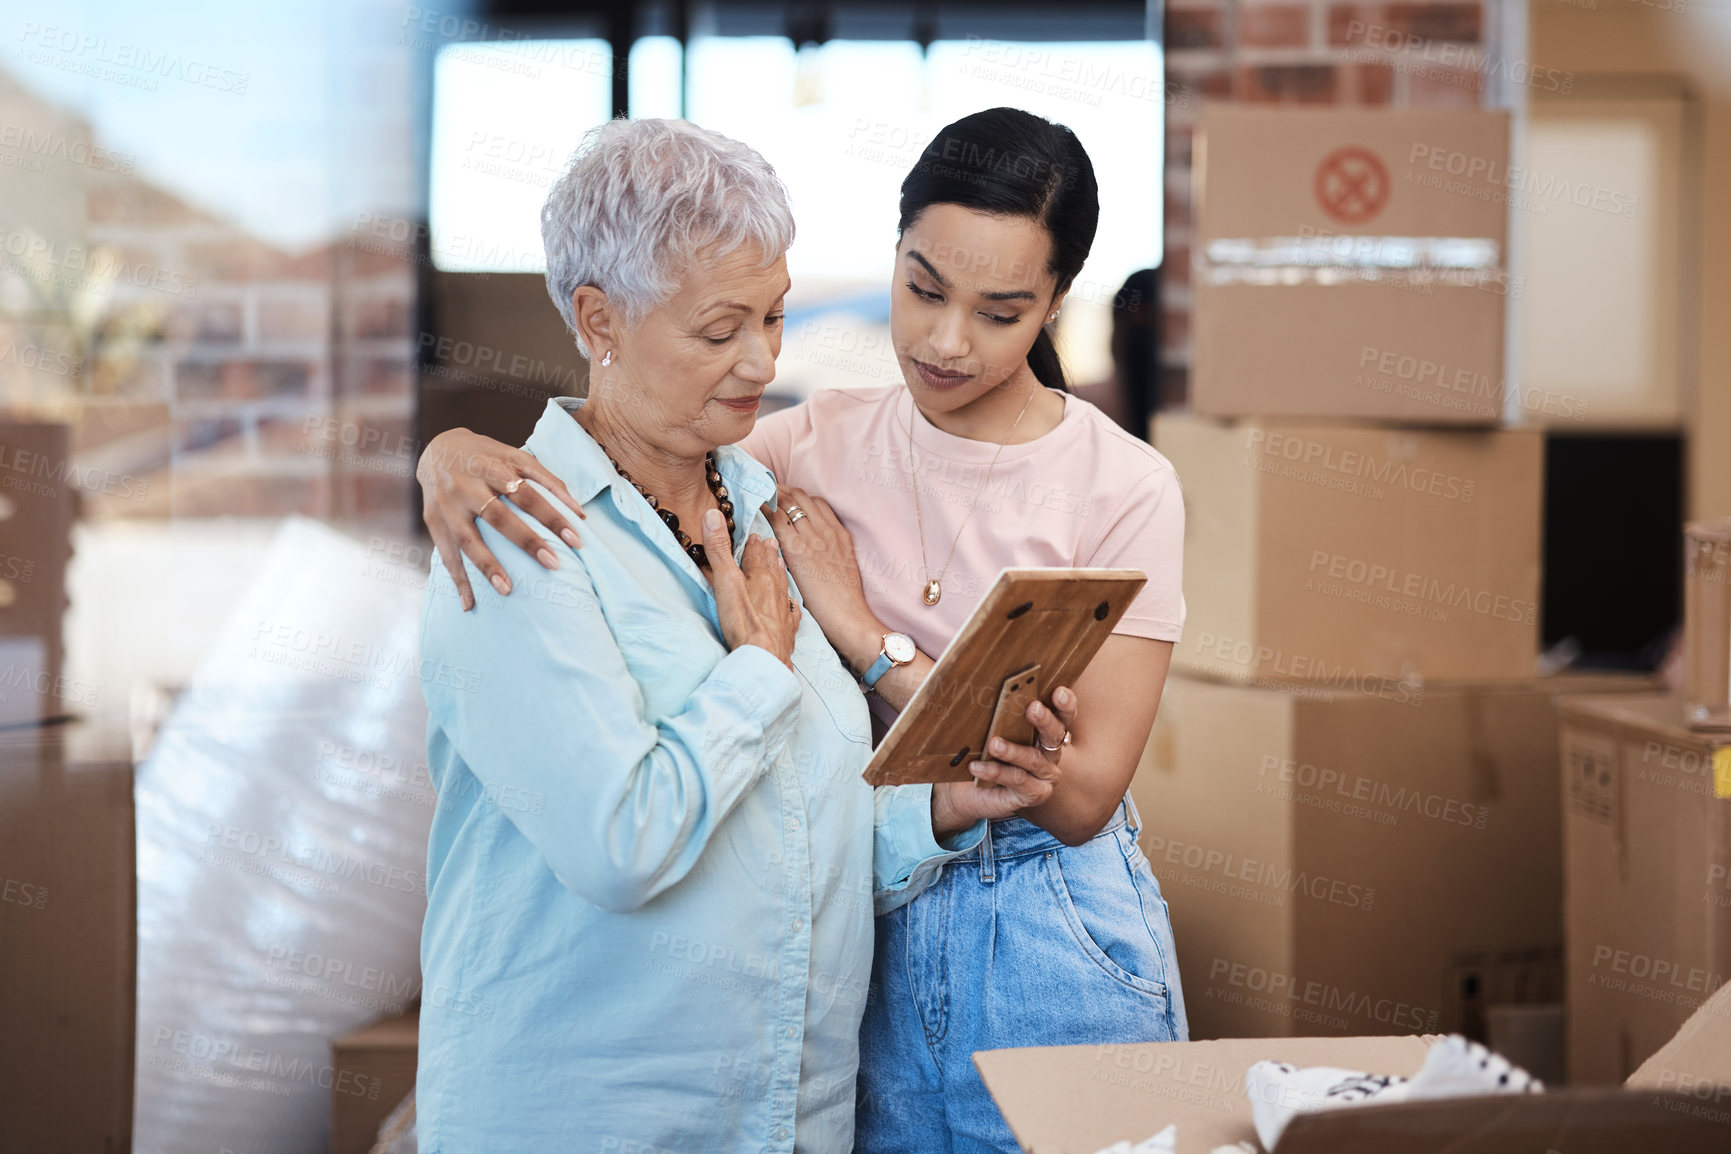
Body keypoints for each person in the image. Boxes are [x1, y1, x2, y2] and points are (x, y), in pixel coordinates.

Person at [421, 108, 1188, 1154]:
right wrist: (446, 450)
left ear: (1053, 303)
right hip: (654, 1081)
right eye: (719, 329)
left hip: (899, 1026)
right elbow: (625, 836)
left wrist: (917, 742)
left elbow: (826, 821)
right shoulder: (601, 513)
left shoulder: (774, 499)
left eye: (773, 320)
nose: (758, 363)